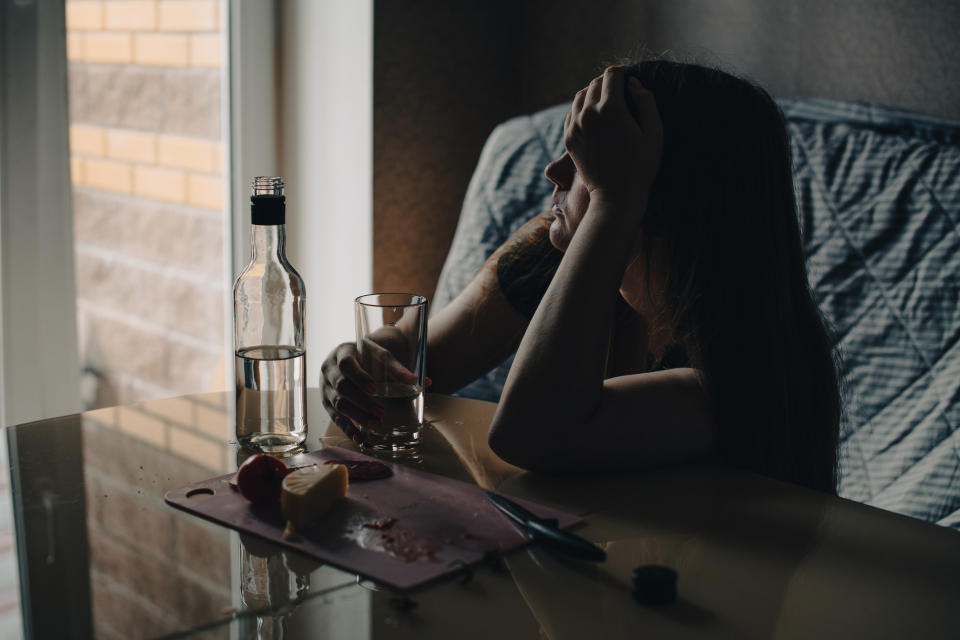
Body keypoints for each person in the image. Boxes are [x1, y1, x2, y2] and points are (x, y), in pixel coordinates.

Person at [321, 60, 841, 494]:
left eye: (589, 162)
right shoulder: (558, 247)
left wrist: (612, 202)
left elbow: (530, 434)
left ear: (654, 192)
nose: (553, 172)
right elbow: (424, 356)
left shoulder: (753, 363)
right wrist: (360, 360)